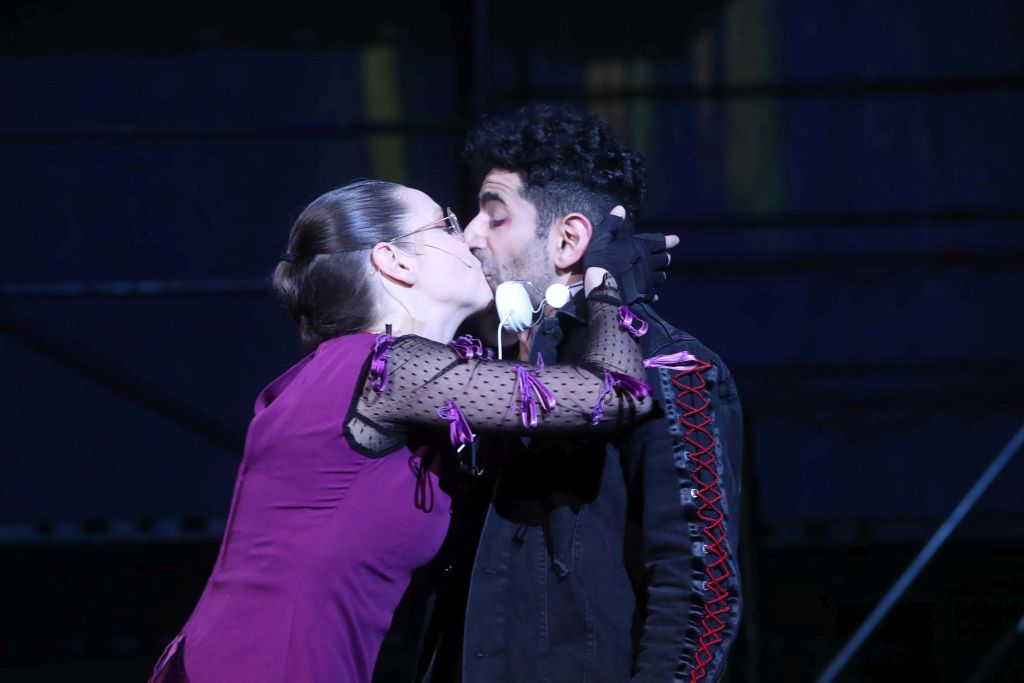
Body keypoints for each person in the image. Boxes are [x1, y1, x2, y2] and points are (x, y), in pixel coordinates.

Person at [147, 178, 675, 683]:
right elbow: (617, 393)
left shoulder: (367, 374)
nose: (469, 237)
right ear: (394, 260)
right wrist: (609, 285)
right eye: (446, 225)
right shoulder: (388, 368)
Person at [418, 105, 744, 682]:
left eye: (495, 217)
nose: (469, 236)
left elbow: (698, 591)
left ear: (569, 239)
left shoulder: (670, 366)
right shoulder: (486, 369)